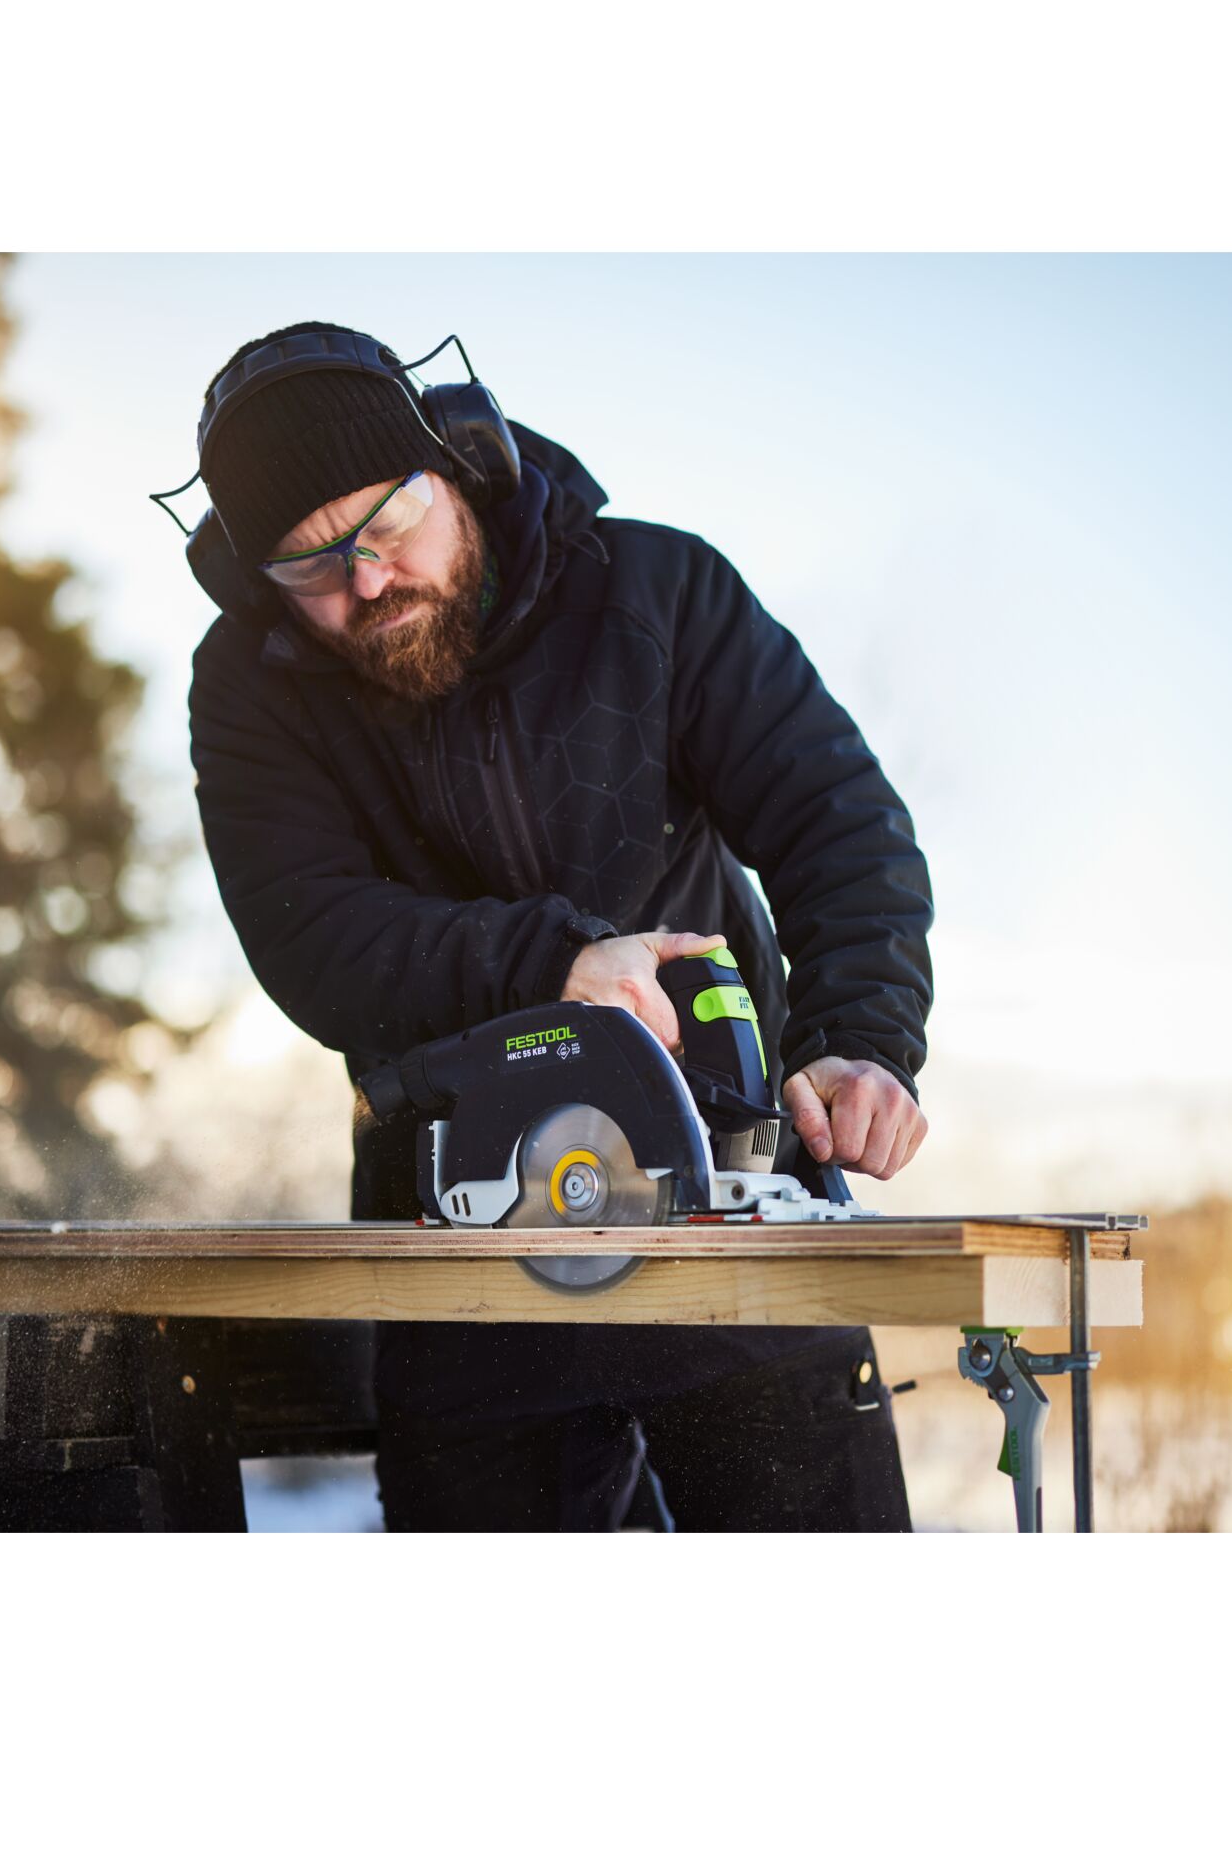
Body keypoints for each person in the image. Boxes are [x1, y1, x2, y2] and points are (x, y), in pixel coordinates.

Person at [185, 321, 934, 1530]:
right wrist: (556, 964)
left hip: (730, 1200)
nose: (365, 582)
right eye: (310, 566)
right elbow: (313, 936)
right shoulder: (250, 689)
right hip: (464, 1242)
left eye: (386, 527)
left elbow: (838, 823)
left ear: (450, 461)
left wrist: (860, 1038)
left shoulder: (656, 591)